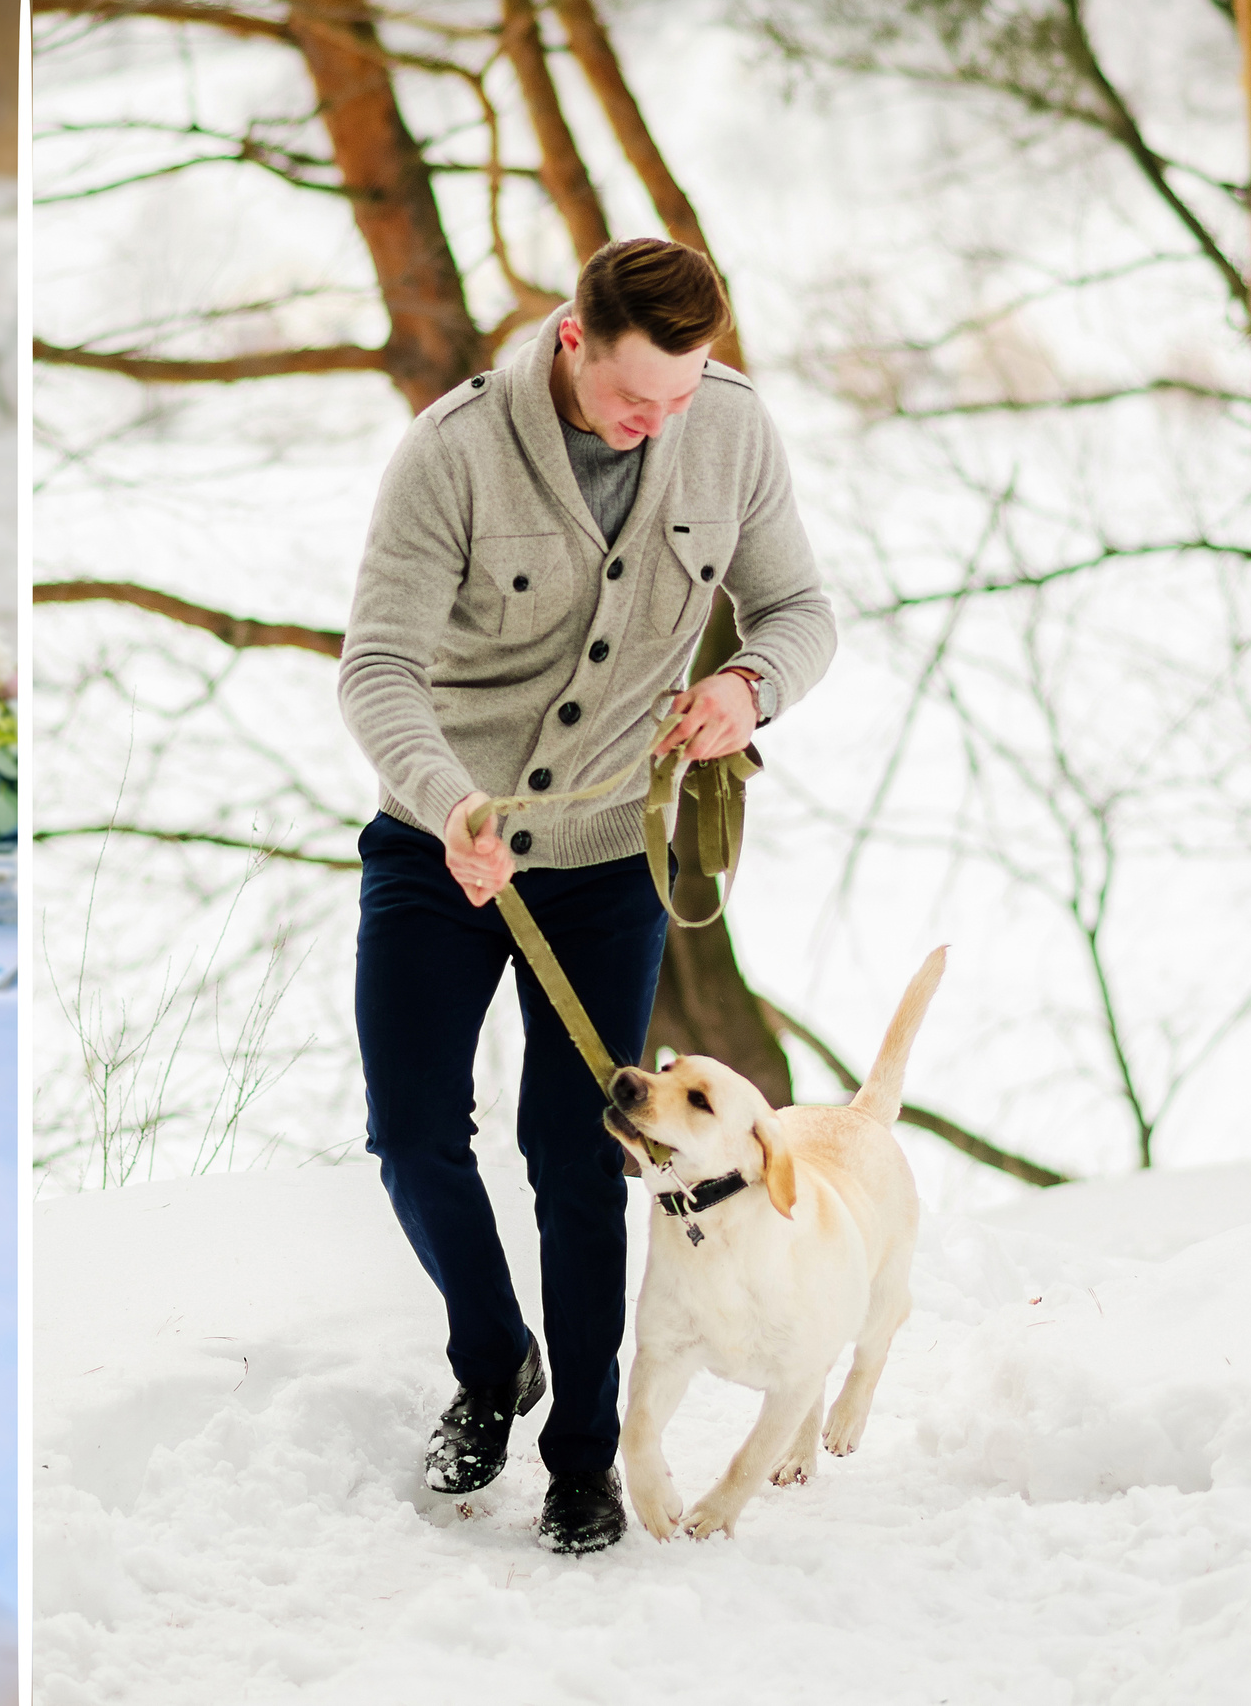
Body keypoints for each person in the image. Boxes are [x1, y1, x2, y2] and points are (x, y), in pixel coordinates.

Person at [337, 237, 836, 1554]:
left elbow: (800, 611)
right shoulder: (447, 456)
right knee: (410, 1129)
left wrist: (747, 689)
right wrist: (450, 801)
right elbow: (375, 668)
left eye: (682, 397)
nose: (661, 425)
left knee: (577, 1154)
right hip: (440, 841)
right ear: (573, 337)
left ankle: (584, 1461)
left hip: (612, 852)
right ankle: (494, 1362)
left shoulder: (728, 429)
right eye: (636, 402)